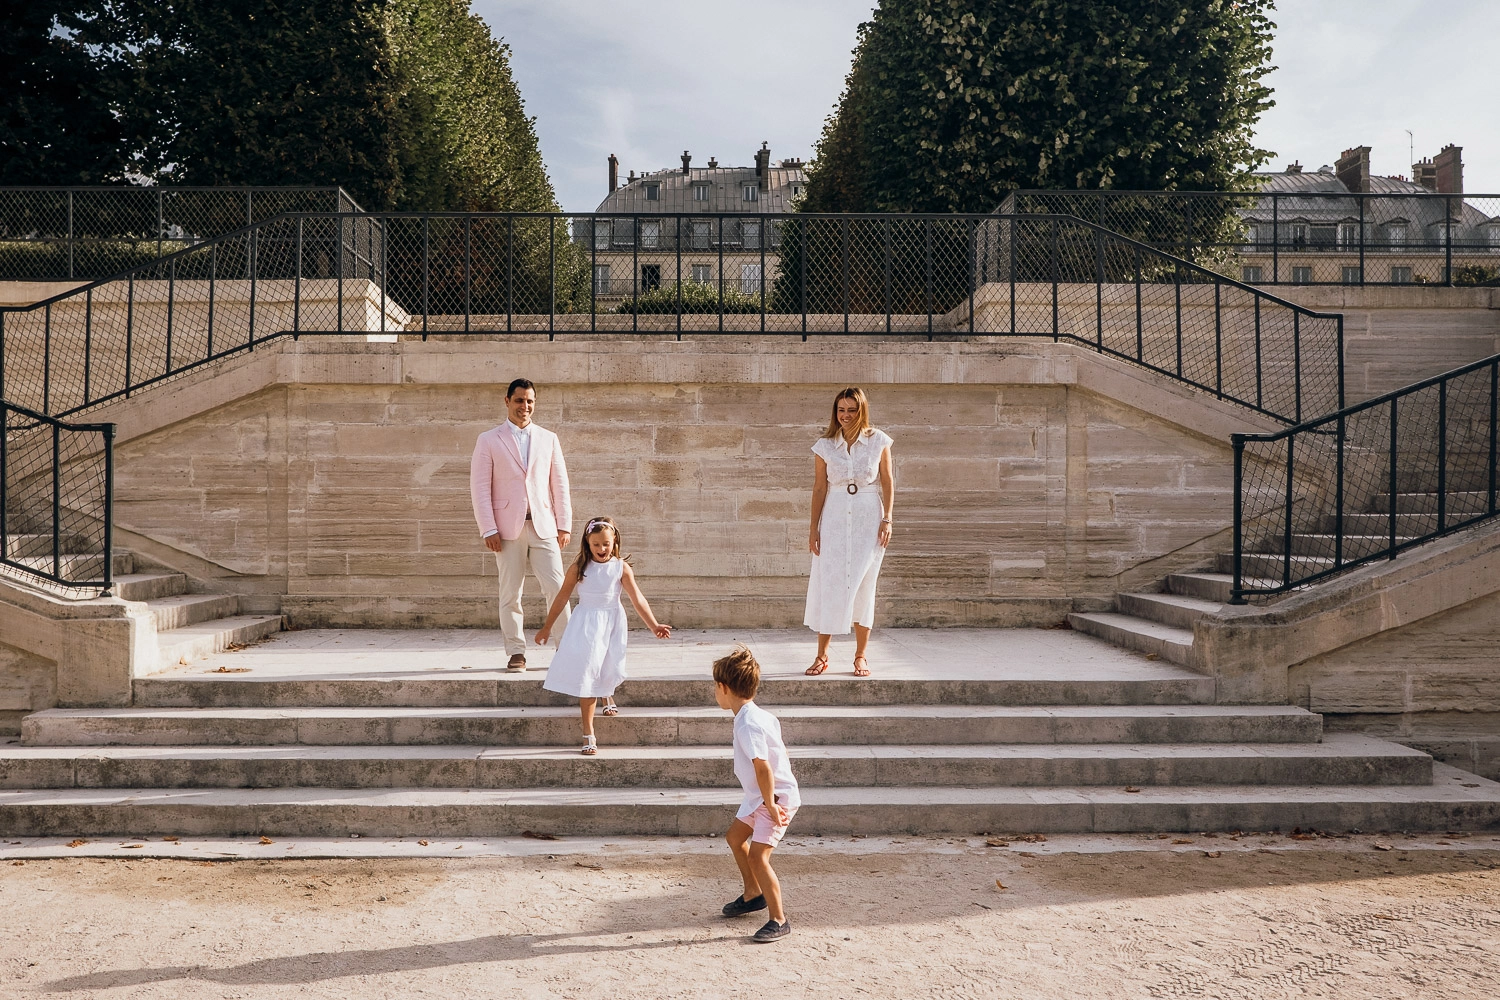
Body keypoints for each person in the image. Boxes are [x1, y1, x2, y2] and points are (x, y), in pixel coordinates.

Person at [535, 516, 672, 755]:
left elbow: (637, 599)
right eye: (596, 544)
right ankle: (589, 733)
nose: (601, 549)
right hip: (587, 624)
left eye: (606, 544)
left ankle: (607, 696)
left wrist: (653, 625)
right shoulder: (579, 568)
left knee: (608, 664)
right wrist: (547, 627)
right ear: (587, 543)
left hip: (612, 622)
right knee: (588, 673)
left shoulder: (621, 568)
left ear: (615, 541)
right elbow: (561, 598)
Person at [470, 378, 573, 671]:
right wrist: (488, 528)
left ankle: (565, 649)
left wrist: (563, 525)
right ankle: (516, 651)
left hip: (544, 526)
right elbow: (479, 487)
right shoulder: (488, 440)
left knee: (557, 587)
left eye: (529, 401)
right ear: (507, 401)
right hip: (505, 529)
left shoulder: (548, 438)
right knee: (510, 592)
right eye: (519, 400)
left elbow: (560, 485)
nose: (524, 407)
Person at [803, 386, 894, 677]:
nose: (846, 415)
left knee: (865, 584)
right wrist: (813, 528)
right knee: (829, 582)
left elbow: (888, 481)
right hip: (835, 518)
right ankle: (821, 655)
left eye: (852, 410)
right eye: (841, 410)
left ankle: (860, 656)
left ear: (862, 410)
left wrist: (888, 519)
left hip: (869, 516)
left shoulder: (878, 441)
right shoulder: (824, 446)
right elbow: (819, 488)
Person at [713, 644, 800, 943]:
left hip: (772, 799)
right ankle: (753, 894)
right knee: (735, 838)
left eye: (715, 686)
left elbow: (762, 766)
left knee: (759, 857)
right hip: (760, 797)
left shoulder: (748, 724)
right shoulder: (759, 715)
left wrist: (771, 804)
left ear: (724, 688)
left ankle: (779, 919)